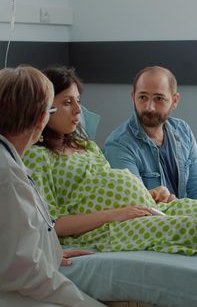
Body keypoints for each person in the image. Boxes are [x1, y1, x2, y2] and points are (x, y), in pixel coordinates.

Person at [23, 65, 197, 256]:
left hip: (144, 208)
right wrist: (117, 214)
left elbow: (104, 185)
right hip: (110, 227)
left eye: (78, 101)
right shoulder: (37, 156)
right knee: (191, 227)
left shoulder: (86, 145)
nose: (78, 110)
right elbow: (49, 224)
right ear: (44, 109)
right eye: (67, 102)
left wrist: (150, 193)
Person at [0, 66, 107, 307]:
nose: (78, 110)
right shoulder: (7, 175)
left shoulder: (11, 163)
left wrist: (50, 250)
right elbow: (23, 272)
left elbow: (16, 239)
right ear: (41, 119)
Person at [104, 66, 197, 200]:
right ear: (133, 97)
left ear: (174, 100)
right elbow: (138, 203)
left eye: (159, 98)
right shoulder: (119, 144)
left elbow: (195, 189)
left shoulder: (183, 131)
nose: (149, 107)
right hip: (152, 219)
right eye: (142, 97)